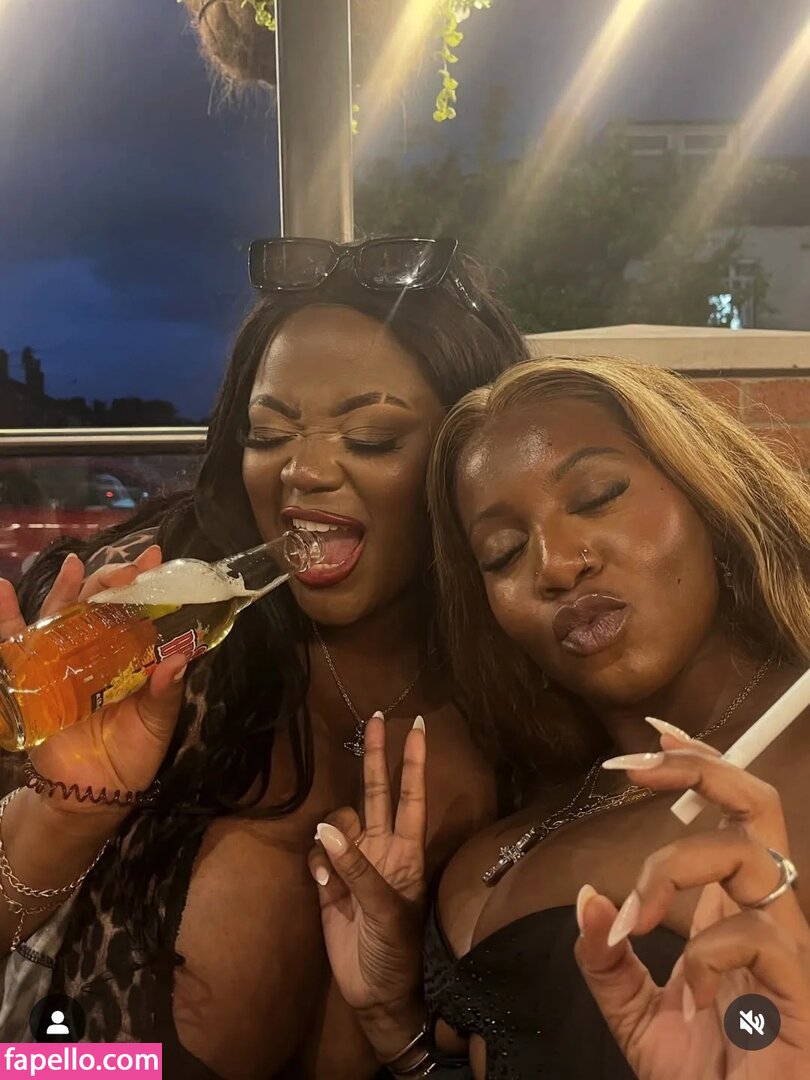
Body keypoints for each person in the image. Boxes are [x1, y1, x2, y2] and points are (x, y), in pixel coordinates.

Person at [0, 238, 529, 1079]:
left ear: (471, 456)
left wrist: (403, 1033)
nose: (302, 471)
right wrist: (60, 819)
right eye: (268, 433)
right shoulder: (150, 637)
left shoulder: (525, 699)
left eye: (372, 436)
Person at [309, 355, 810, 1078]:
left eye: (599, 496)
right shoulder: (510, 826)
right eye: (503, 552)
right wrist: (396, 1027)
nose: (554, 564)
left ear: (710, 499)